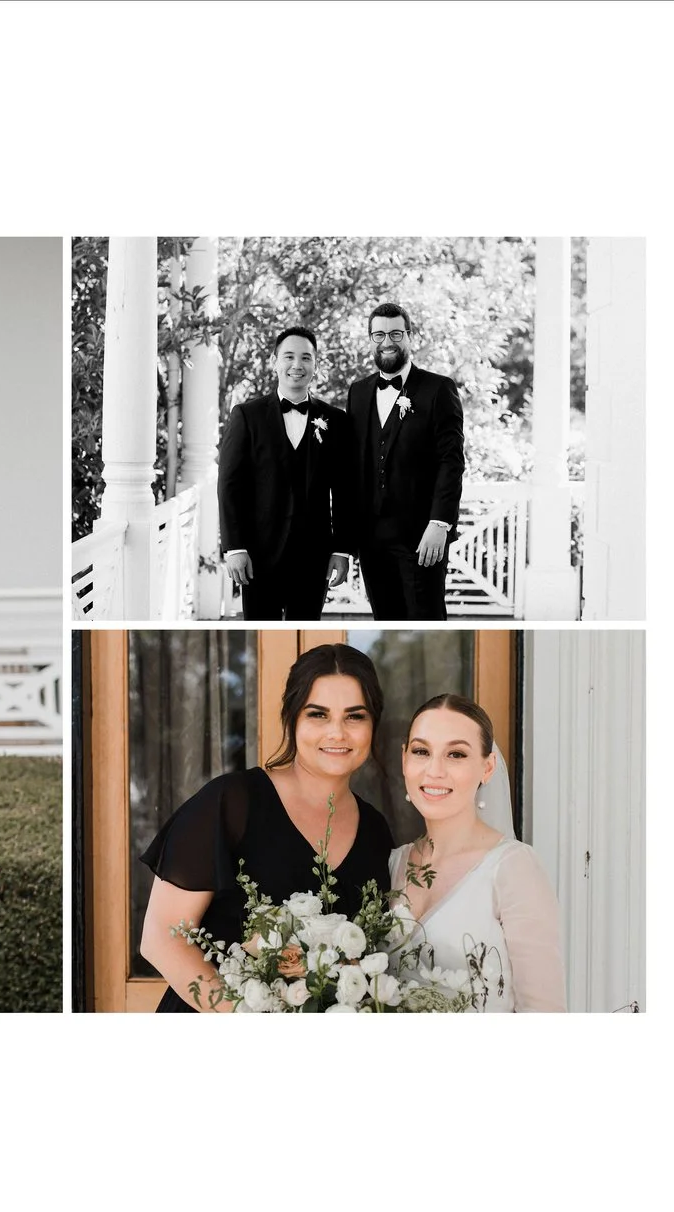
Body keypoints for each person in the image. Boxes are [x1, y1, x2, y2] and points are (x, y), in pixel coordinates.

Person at [137, 643, 398, 1012]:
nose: (337, 732)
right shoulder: (233, 802)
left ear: (374, 724)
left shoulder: (375, 831)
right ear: (291, 719)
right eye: (318, 715)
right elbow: (163, 938)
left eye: (354, 716)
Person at [390, 694, 564, 1011]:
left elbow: (544, 1011)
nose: (434, 770)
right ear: (404, 760)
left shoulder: (513, 869)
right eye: (421, 751)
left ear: (487, 767)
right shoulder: (392, 864)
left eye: (455, 754)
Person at [220, 325, 357, 621]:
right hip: (258, 555)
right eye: (289, 357)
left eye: (306, 358)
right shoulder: (247, 416)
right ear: (274, 361)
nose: (297, 366)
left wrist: (342, 550)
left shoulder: (335, 421)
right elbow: (230, 486)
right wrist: (234, 547)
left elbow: (345, 491)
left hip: (314, 556)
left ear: (316, 366)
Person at [346, 302, 464, 620]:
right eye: (380, 334)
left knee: (427, 620)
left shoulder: (438, 390)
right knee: (385, 620)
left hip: (420, 536)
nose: (388, 341)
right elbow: (354, 466)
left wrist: (439, 524)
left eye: (396, 333)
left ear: (409, 337)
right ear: (370, 339)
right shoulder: (357, 392)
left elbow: (451, 462)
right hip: (371, 539)